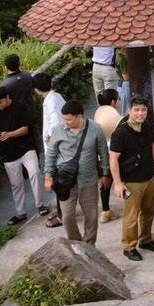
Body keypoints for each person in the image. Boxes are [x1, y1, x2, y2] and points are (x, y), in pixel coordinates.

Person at [42, 100, 109, 245]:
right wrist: (48, 176)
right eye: (63, 118)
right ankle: (76, 243)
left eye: (68, 119)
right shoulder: (58, 130)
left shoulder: (96, 129)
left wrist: (105, 174)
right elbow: (51, 154)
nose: (65, 122)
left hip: (88, 180)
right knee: (67, 217)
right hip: (65, 182)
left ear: (79, 116)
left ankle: (89, 245)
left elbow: (103, 153)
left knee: (91, 217)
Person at [108, 97, 154, 261]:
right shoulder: (121, 133)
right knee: (131, 216)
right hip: (131, 181)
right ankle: (129, 246)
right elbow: (113, 158)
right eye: (136, 110)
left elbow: (152, 147)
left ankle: (146, 239)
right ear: (129, 110)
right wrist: (117, 183)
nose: (140, 113)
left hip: (149, 177)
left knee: (149, 211)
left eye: (143, 110)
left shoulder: (147, 127)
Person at [0, 85, 42, 225]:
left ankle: (40, 204)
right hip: (8, 152)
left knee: (34, 172)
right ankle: (20, 212)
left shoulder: (20, 107)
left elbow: (25, 129)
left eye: (1, 102)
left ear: (7, 97)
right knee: (16, 183)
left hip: (26, 147)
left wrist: (8, 134)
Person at [33, 71, 65, 224]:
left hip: (57, 149)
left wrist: (49, 136)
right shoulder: (57, 97)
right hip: (63, 145)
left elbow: (56, 123)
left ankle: (62, 215)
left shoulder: (51, 102)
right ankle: (63, 212)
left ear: (36, 90)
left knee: (58, 182)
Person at [92, 88, 122, 222]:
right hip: (113, 154)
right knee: (115, 181)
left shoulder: (99, 112)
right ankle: (107, 212)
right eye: (119, 99)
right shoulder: (113, 116)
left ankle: (105, 210)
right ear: (113, 102)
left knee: (105, 182)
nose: (120, 101)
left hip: (99, 154)